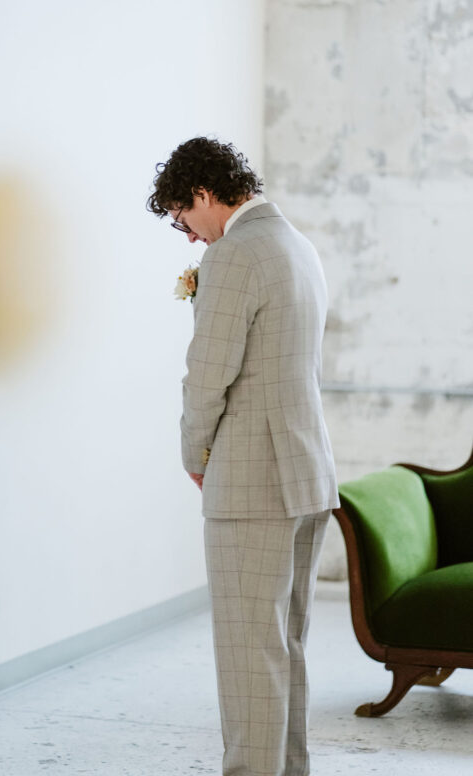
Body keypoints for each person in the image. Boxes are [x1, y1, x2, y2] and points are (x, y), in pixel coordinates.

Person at [147, 136, 339, 776]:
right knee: (284, 645)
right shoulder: (299, 247)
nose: (189, 235)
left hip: (253, 479)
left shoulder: (236, 255)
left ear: (204, 193)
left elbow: (208, 376)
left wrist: (193, 453)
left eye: (183, 217)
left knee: (247, 652)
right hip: (308, 474)